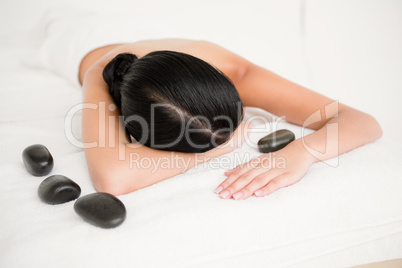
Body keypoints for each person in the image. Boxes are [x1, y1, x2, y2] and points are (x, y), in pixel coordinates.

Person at [79, 38, 382, 199]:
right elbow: (113, 178)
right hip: (77, 45)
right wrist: (217, 150)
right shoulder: (102, 73)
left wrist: (302, 151)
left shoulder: (236, 71)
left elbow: (362, 121)